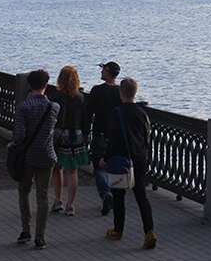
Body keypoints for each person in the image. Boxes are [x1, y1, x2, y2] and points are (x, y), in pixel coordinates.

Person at [102, 78, 156, 249]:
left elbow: (113, 139)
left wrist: (106, 157)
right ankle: (149, 231)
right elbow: (147, 137)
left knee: (118, 195)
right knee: (141, 195)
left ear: (121, 92)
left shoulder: (116, 113)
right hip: (139, 158)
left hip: (120, 158)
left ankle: (118, 230)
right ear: (135, 92)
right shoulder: (142, 113)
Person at [8, 69, 59, 250]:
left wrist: (13, 144)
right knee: (43, 195)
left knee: (24, 191)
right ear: (46, 85)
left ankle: (26, 229)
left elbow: (20, 135)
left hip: (27, 156)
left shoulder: (23, 107)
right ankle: (40, 237)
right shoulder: (54, 107)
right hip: (46, 155)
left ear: (30, 85)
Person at [49, 66, 90, 216]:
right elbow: (85, 119)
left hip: (59, 135)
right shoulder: (80, 97)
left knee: (57, 167)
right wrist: (86, 135)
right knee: (73, 170)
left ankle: (58, 200)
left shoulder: (55, 97)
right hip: (76, 135)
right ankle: (71, 204)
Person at [85, 61, 122, 215]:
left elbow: (88, 112)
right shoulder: (120, 92)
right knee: (113, 165)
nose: (101, 72)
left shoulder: (97, 91)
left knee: (98, 166)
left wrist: (85, 132)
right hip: (116, 135)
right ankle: (114, 195)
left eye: (103, 70)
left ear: (108, 72)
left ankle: (106, 194)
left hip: (100, 132)